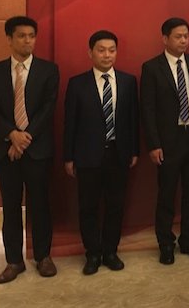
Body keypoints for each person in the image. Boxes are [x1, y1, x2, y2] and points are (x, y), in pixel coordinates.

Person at [0, 16, 59, 283]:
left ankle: (43, 257)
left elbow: (48, 108)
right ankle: (13, 261)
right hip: (5, 150)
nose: (27, 40)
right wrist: (12, 135)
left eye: (31, 35)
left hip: (37, 149)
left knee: (40, 204)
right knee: (10, 207)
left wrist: (23, 139)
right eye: (21, 36)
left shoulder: (48, 70)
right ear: (9, 39)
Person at [63, 30, 139, 275]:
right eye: (101, 50)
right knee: (88, 207)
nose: (107, 55)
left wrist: (134, 150)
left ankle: (110, 252)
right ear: (90, 53)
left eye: (112, 50)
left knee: (116, 206)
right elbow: (70, 123)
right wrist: (68, 157)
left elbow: (133, 119)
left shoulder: (128, 81)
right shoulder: (77, 83)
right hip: (87, 156)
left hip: (119, 153)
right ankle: (93, 254)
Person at [140, 18, 189, 265]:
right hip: (168, 140)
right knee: (167, 193)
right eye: (178, 36)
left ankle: (188, 239)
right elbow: (147, 109)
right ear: (165, 38)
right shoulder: (152, 67)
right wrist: (154, 144)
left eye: (186, 36)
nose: (183, 41)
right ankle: (165, 243)